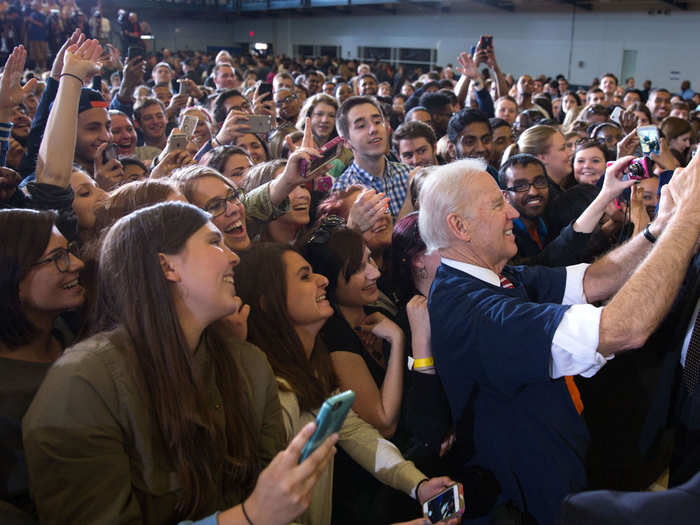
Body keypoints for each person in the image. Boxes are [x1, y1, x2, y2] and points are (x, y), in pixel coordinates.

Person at [420, 152, 700, 525]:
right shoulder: (480, 315)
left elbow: (596, 279)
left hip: (558, 460)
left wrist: (661, 226)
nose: (513, 213)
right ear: (459, 226)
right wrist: (689, 220)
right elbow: (624, 328)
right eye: (497, 204)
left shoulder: (491, 276)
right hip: (531, 493)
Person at [23, 202, 338, 525]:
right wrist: (249, 516)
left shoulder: (249, 365)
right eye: (214, 243)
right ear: (167, 266)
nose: (234, 257)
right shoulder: (84, 384)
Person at [235, 242, 456, 525]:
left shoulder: (312, 370)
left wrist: (418, 485)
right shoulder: (275, 396)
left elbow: (357, 435)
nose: (322, 280)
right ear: (269, 302)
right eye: (304, 276)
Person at [0, 209, 85, 523]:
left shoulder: (66, 329)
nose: (77, 264)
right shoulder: (7, 395)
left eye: (71, 252)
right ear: (15, 280)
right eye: (58, 258)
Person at [332, 96, 411, 218]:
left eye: (378, 122)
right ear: (346, 141)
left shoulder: (409, 175)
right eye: (361, 126)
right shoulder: (341, 191)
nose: (373, 129)